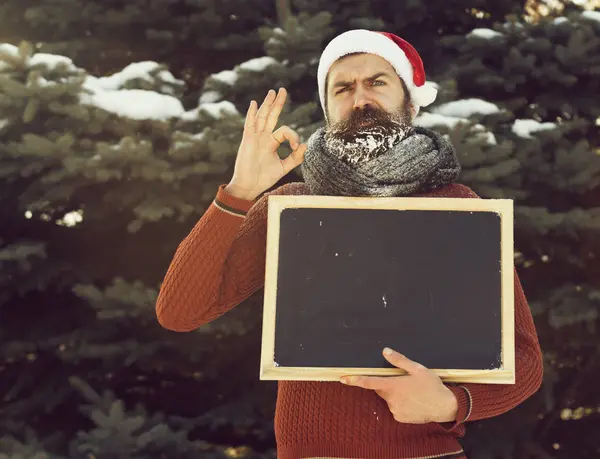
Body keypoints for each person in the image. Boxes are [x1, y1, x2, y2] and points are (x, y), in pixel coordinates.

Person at [156, 29, 543, 459]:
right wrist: (240, 192)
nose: (360, 99)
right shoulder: (290, 208)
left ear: (410, 101)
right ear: (329, 109)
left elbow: (524, 361)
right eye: (343, 87)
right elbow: (178, 312)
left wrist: (451, 404)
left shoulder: (458, 208)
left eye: (377, 82)